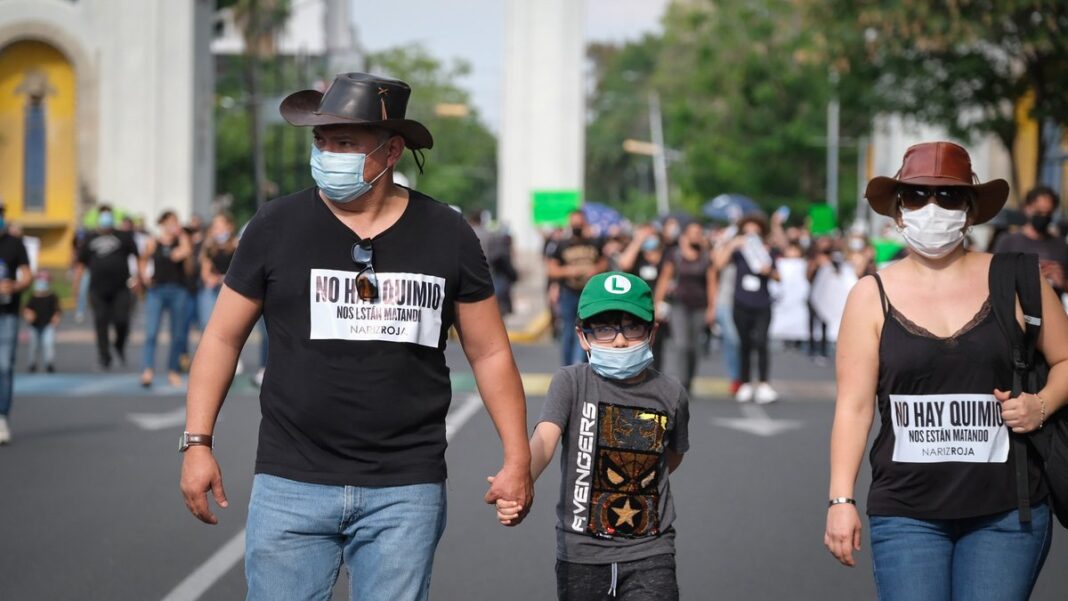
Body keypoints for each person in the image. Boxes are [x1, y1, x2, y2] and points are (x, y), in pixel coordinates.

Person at [178, 72, 533, 601]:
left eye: (345, 143)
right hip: (290, 483)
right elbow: (222, 339)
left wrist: (517, 458)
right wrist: (197, 443)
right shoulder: (275, 225)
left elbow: (489, 351)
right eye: (321, 141)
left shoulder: (448, 234)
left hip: (405, 490)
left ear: (391, 151)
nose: (327, 154)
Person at [825, 141, 1068, 599]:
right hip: (906, 513)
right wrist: (841, 500)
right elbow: (854, 407)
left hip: (1007, 513)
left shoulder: (1019, 279)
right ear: (898, 212)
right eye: (916, 196)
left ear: (971, 210)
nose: (931, 207)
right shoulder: (869, 294)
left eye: (948, 196)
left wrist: (1041, 404)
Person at [494, 271, 689, 601]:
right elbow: (545, 439)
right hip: (581, 553)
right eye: (604, 328)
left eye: (632, 326)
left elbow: (672, 454)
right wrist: (518, 477)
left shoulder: (670, 394)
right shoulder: (571, 383)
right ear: (582, 336)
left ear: (652, 332)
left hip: (651, 551)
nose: (619, 340)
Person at [715, 216, 780, 403]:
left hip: (762, 303)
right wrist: (732, 244)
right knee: (743, 344)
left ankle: (764, 383)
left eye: (756, 231)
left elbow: (778, 276)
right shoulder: (739, 252)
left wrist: (770, 272)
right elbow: (719, 264)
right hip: (741, 303)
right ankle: (744, 382)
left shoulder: (768, 251)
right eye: (748, 231)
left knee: (761, 342)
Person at [73, 205, 139, 371]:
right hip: (97, 289)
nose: (106, 220)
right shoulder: (90, 238)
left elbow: (137, 257)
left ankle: (119, 344)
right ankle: (104, 356)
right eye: (103, 216)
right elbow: (80, 264)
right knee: (101, 322)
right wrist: (77, 285)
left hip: (121, 288)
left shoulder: (123, 236)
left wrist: (138, 278)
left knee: (122, 320)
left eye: (108, 216)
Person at [654, 220, 716, 393]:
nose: (696, 236)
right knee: (681, 344)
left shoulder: (706, 256)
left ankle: (690, 379)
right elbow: (664, 279)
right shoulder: (675, 255)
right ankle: (682, 381)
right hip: (679, 304)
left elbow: (711, 283)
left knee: (694, 346)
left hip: (699, 305)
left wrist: (712, 307)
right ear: (685, 235)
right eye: (693, 233)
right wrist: (657, 302)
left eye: (699, 233)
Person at [138, 211, 193, 388]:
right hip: (157, 290)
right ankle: (147, 370)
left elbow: (187, 263)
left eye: (175, 222)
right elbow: (143, 259)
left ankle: (173, 370)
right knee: (152, 332)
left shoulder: (182, 242)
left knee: (177, 334)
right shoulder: (154, 242)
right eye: (169, 222)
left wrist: (183, 239)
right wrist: (144, 276)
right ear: (162, 223)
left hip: (178, 290)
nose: (172, 225)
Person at [548, 210, 607, 365]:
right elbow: (552, 269)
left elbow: (604, 262)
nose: (577, 227)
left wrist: (595, 269)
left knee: (587, 330)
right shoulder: (562, 245)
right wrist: (569, 271)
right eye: (574, 224)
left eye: (579, 223)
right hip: (569, 293)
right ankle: (568, 367)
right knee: (568, 331)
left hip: (589, 294)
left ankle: (580, 364)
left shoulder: (594, 243)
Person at [993, 185, 1068, 296]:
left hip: (1052, 308)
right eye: (1039, 212)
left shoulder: (1061, 245)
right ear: (1027, 208)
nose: (1043, 217)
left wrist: (1061, 282)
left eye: (1048, 214)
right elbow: (995, 280)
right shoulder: (1008, 241)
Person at [0, 204, 30, 445]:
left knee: (4, 365)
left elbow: (27, 276)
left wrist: (15, 286)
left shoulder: (15, 243)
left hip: (8, 312)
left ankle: (2, 416)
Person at [617, 224, 667, 370]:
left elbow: (666, 278)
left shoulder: (665, 256)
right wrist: (638, 241)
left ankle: (655, 376)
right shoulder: (637, 256)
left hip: (657, 307)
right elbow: (624, 263)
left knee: (656, 345)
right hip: (636, 307)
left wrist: (658, 304)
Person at [23, 271, 60, 373]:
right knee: (33, 346)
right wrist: (28, 316)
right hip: (34, 325)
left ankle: (49, 363)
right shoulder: (33, 297)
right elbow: (27, 309)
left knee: (48, 344)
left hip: (48, 325)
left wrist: (56, 318)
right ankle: (32, 363)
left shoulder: (52, 297)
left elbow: (57, 310)